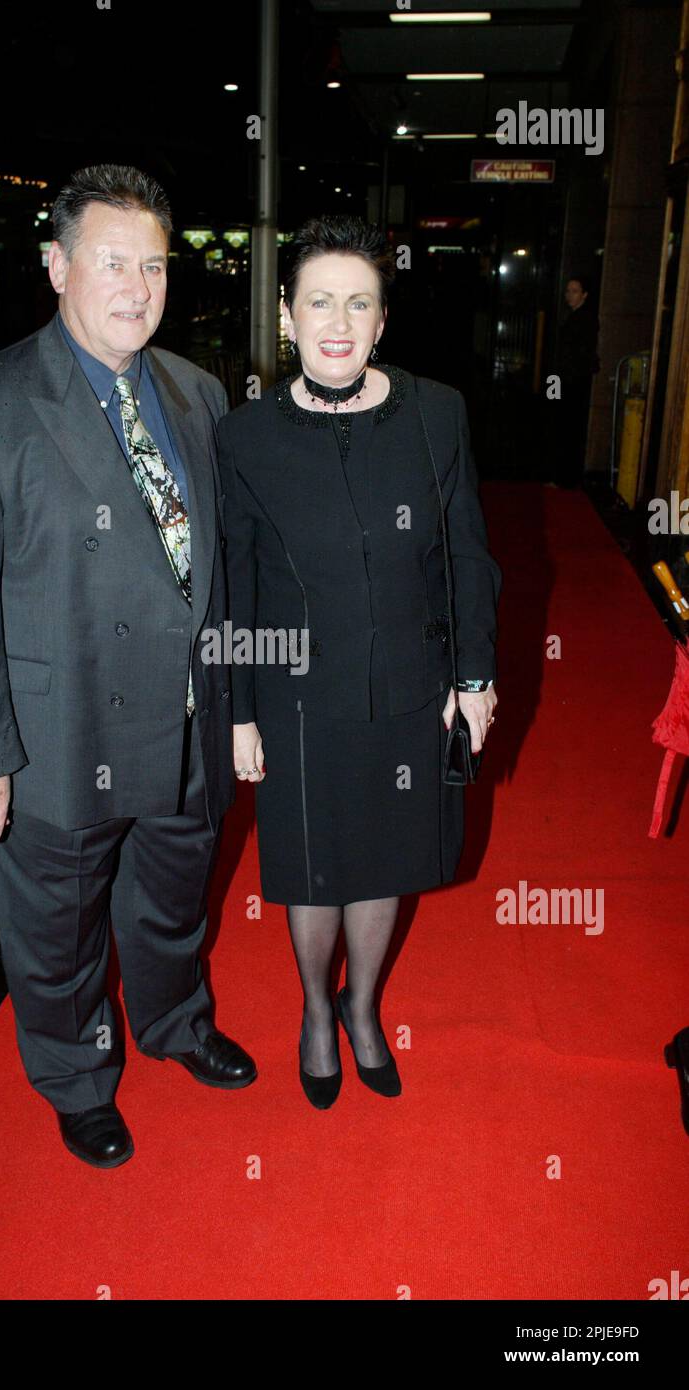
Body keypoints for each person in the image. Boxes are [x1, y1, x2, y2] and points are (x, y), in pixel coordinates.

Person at [0, 164, 254, 1170]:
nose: (136, 287)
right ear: (56, 265)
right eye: (112, 262)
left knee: (173, 898)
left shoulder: (195, 390)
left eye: (152, 265)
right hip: (61, 734)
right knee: (56, 929)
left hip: (187, 719)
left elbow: (211, 571)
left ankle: (177, 1022)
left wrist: (235, 705)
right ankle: (76, 1075)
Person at [217, 215, 502, 1109]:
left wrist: (476, 678)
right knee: (310, 867)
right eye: (317, 302)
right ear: (285, 316)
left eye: (358, 303)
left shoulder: (434, 411)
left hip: (411, 692)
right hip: (297, 696)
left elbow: (466, 555)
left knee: (383, 861)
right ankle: (313, 1008)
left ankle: (362, 1004)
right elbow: (233, 584)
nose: (336, 321)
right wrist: (236, 710)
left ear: (381, 322)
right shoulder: (244, 436)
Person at [551, 274, 600, 488]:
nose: (569, 295)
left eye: (574, 291)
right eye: (568, 291)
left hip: (572, 382)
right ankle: (565, 477)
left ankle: (567, 478)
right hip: (567, 381)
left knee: (569, 428)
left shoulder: (584, 319)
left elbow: (577, 355)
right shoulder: (574, 317)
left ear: (584, 295)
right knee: (566, 427)